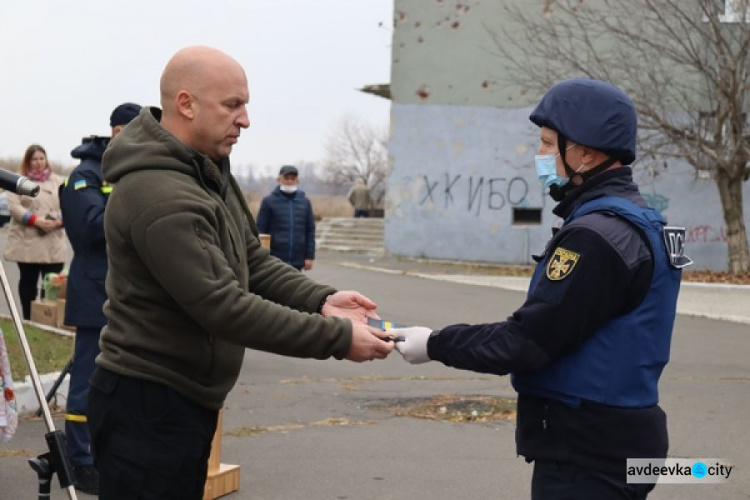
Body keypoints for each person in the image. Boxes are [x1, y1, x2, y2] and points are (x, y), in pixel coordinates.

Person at [87, 45, 394, 500]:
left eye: (245, 104)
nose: (245, 119)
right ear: (186, 104)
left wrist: (320, 299)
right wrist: (337, 336)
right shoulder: (159, 193)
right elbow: (223, 307)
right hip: (148, 405)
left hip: (183, 401)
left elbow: (250, 259)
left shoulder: (205, 171)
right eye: (232, 105)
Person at [392, 78, 692, 499]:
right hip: (621, 439)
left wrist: (434, 344)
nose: (540, 155)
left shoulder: (596, 237)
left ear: (585, 153)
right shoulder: (639, 222)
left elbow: (527, 341)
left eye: (549, 143)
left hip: (588, 453)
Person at [58, 102, 141, 495]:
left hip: (129, 296)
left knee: (121, 384)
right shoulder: (84, 176)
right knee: (87, 383)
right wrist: (137, 202)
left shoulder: (132, 174)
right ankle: (80, 461)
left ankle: (110, 455)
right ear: (118, 132)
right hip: (94, 294)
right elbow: (91, 227)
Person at [3, 144, 66, 320]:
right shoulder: (18, 181)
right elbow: (14, 206)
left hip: (52, 241)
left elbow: (68, 202)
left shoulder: (57, 181)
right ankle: (28, 319)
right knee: (28, 283)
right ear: (28, 161)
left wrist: (59, 220)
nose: (38, 162)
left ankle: (47, 318)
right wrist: (35, 220)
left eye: (41, 158)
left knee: (52, 284)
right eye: (34, 159)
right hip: (27, 242)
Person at [256, 165, 316, 271]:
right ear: (279, 180)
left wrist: (309, 256)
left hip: (297, 259)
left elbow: (310, 231)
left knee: (296, 287)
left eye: (292, 179)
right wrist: (262, 256)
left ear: (297, 181)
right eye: (286, 178)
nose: (289, 181)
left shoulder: (305, 202)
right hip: (274, 259)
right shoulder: (268, 201)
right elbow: (260, 230)